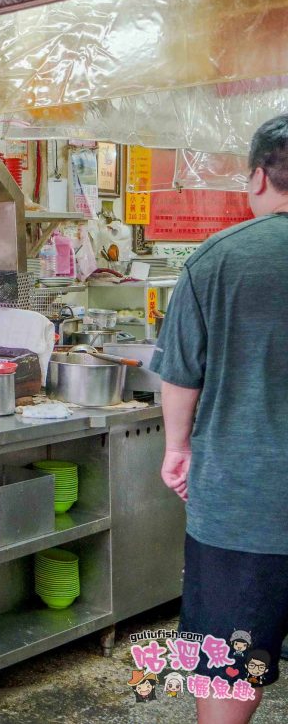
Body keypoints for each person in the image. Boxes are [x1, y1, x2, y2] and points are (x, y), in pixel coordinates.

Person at [153, 114, 288, 724]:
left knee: (229, 669)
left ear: (259, 176)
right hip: (245, 503)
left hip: (241, 505)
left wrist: (176, 449)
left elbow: (181, 375)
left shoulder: (216, 261)